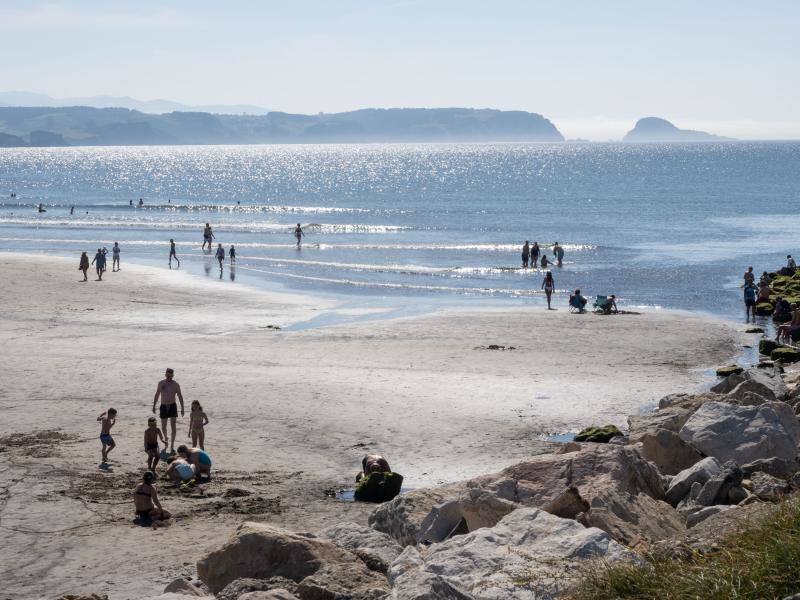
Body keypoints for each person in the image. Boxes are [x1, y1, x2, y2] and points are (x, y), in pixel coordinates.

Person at [152, 368, 185, 453]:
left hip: (172, 406)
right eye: (168, 374)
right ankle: (166, 438)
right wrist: (154, 405)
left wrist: (182, 408)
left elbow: (180, 396)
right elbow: (157, 394)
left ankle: (172, 445)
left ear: (173, 375)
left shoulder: (175, 384)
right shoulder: (161, 383)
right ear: (165, 374)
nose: (169, 376)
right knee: (163, 426)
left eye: (171, 375)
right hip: (163, 406)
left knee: (173, 426)